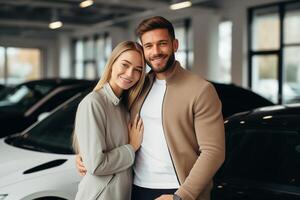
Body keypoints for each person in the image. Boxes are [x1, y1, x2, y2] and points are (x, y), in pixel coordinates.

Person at [77, 16, 225, 200]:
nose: (156, 51)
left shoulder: (201, 90)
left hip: (177, 190)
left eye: (162, 43)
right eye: (148, 46)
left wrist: (181, 195)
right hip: (135, 188)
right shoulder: (137, 86)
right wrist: (84, 155)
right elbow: (106, 120)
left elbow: (213, 152)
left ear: (175, 45)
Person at [73, 41, 146, 200]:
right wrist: (131, 147)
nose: (129, 74)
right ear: (112, 64)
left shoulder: (124, 105)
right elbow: (96, 165)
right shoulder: (93, 102)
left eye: (137, 70)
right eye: (125, 65)